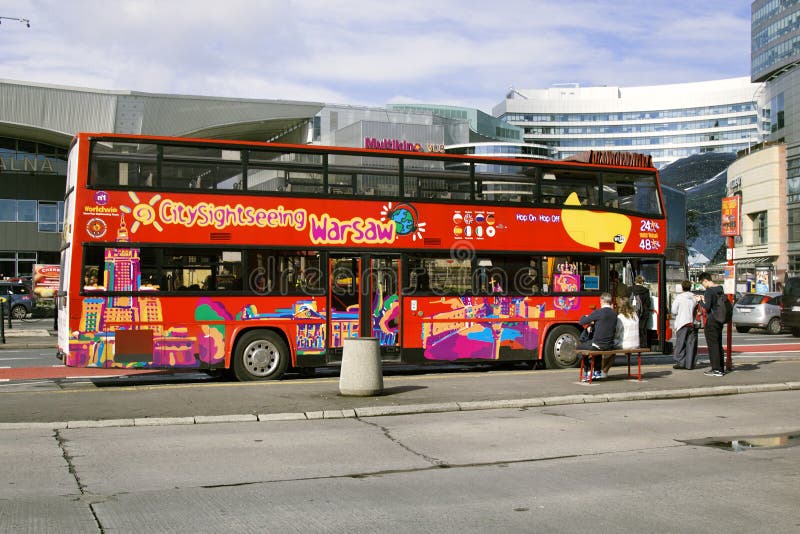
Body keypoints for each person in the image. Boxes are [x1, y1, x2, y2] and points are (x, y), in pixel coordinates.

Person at [577, 292, 618, 381]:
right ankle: (597, 371)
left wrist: (585, 316)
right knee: (596, 346)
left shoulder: (598, 312)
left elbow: (582, 322)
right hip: (609, 345)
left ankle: (588, 372)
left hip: (599, 345)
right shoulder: (614, 314)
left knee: (579, 348)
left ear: (602, 301)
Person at [695, 272, 726, 376]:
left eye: (702, 283)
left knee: (712, 345)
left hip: (712, 320)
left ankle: (716, 369)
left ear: (705, 280)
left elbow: (707, 307)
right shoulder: (720, 288)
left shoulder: (709, 290)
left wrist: (700, 301)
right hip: (719, 319)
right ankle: (721, 368)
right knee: (718, 343)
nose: (702, 285)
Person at [600, 296, 639, 377]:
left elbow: (616, 333)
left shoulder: (620, 317)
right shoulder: (635, 315)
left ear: (620, 307)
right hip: (635, 344)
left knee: (608, 347)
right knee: (612, 350)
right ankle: (603, 372)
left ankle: (603, 371)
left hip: (625, 344)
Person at [671, 280, 698, 370]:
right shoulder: (694, 297)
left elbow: (674, 311)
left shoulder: (679, 297)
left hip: (682, 323)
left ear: (682, 287)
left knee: (680, 344)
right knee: (691, 344)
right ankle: (690, 364)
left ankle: (681, 362)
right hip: (693, 323)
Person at [630, 275, 652, 348]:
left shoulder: (630, 289)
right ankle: (642, 344)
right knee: (642, 328)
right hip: (643, 312)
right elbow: (648, 303)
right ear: (642, 282)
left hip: (632, 312)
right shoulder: (646, 290)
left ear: (635, 281)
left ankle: (633, 342)